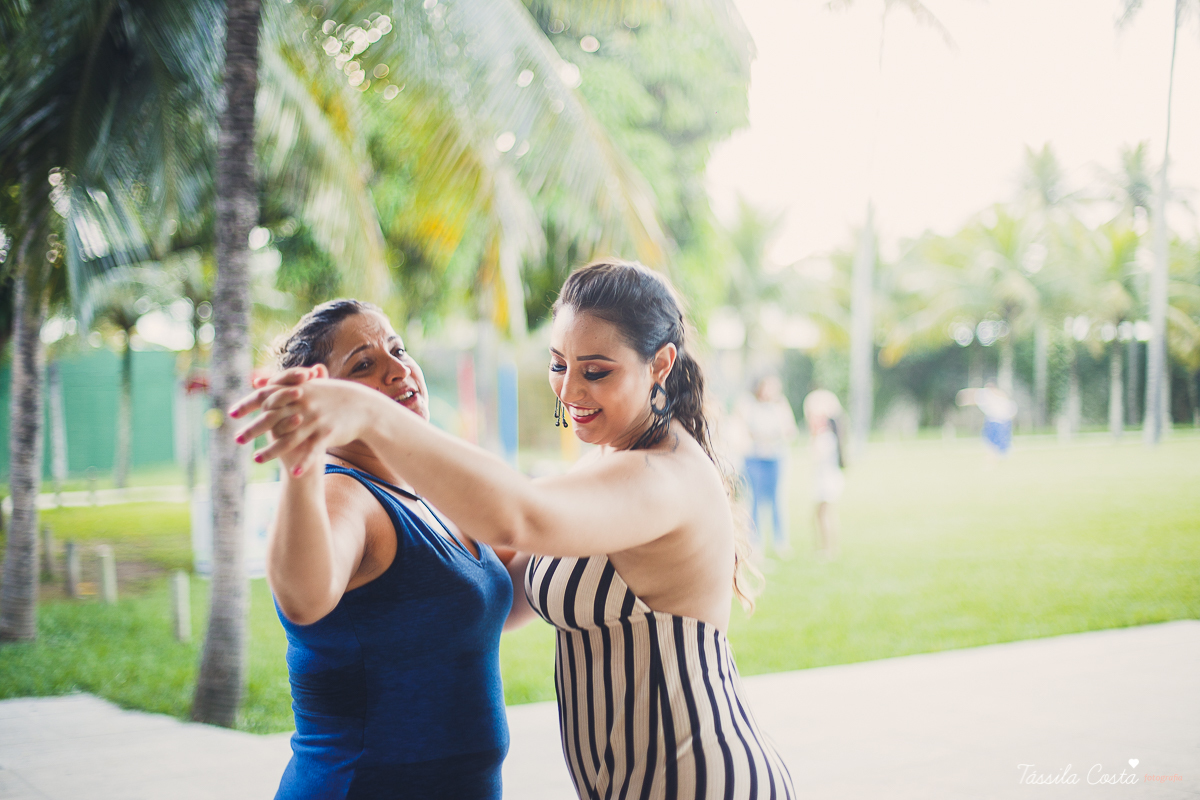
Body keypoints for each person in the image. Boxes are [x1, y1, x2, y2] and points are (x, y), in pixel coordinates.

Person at [233, 261, 795, 800]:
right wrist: (310, 459)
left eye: (596, 371)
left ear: (661, 365)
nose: (570, 391)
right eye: (558, 364)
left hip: (699, 779)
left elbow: (517, 514)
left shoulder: (660, 473)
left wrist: (372, 415)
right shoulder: (603, 464)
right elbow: (489, 578)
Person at [253, 299, 534, 800]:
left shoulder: (426, 492)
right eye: (364, 364)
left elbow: (494, 594)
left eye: (398, 349)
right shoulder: (344, 495)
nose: (398, 369)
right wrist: (300, 467)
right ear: (322, 401)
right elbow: (303, 595)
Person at [735, 374, 799, 557]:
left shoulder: (780, 405)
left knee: (777, 500)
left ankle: (781, 542)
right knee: (753, 500)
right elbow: (742, 427)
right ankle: (755, 543)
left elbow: (789, 431)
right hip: (754, 458)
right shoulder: (748, 403)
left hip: (776, 457)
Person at [801, 389, 846, 559]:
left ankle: (829, 549)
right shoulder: (823, 436)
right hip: (824, 479)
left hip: (827, 480)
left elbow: (816, 455)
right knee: (820, 515)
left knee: (825, 514)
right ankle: (823, 547)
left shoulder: (825, 437)